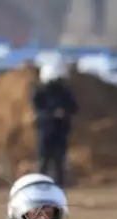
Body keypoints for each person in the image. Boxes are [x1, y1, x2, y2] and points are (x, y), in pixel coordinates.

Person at [31, 57, 78, 186]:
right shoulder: (40, 93)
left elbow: (74, 107)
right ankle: (41, 184)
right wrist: (53, 114)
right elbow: (38, 109)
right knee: (44, 161)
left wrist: (64, 113)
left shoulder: (65, 93)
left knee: (58, 162)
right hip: (46, 131)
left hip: (59, 131)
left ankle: (57, 186)